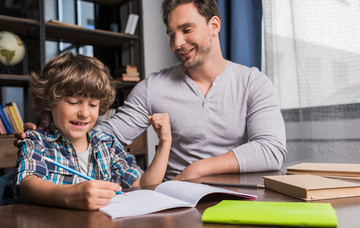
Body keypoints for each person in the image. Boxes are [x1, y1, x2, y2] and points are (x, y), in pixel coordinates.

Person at [17, 0, 286, 181]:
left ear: (214, 25)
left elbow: (271, 150)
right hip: (176, 200)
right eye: (171, 34)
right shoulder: (153, 88)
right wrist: (47, 134)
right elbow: (103, 134)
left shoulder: (253, 82)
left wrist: (199, 167)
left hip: (238, 195)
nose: (178, 43)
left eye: (186, 29)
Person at [11, 52, 171, 210]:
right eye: (73, 102)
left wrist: (165, 143)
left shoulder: (107, 144)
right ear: (49, 102)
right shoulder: (36, 141)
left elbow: (143, 186)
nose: (84, 113)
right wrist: (69, 195)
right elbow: (26, 184)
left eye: (93, 105)